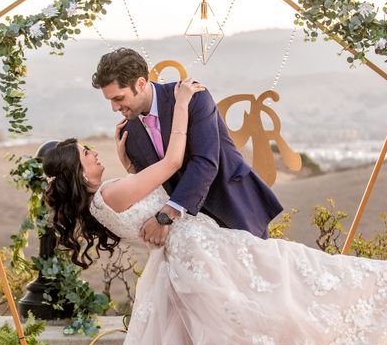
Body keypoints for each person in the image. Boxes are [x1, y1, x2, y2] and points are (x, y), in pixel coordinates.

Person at [41, 78, 387, 345]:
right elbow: (174, 163)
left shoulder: (106, 196)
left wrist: (125, 159)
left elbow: (143, 190)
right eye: (86, 152)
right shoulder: (110, 194)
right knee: (291, 275)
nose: (94, 154)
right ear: (78, 169)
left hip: (192, 253)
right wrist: (180, 105)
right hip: (200, 252)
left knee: (249, 313)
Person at [93, 47, 282, 243]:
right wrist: (130, 168)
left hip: (233, 205)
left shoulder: (192, 96)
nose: (114, 108)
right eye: (110, 100)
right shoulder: (127, 133)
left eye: (118, 98)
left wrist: (166, 215)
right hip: (190, 233)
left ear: (140, 84)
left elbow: (205, 161)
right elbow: (153, 184)